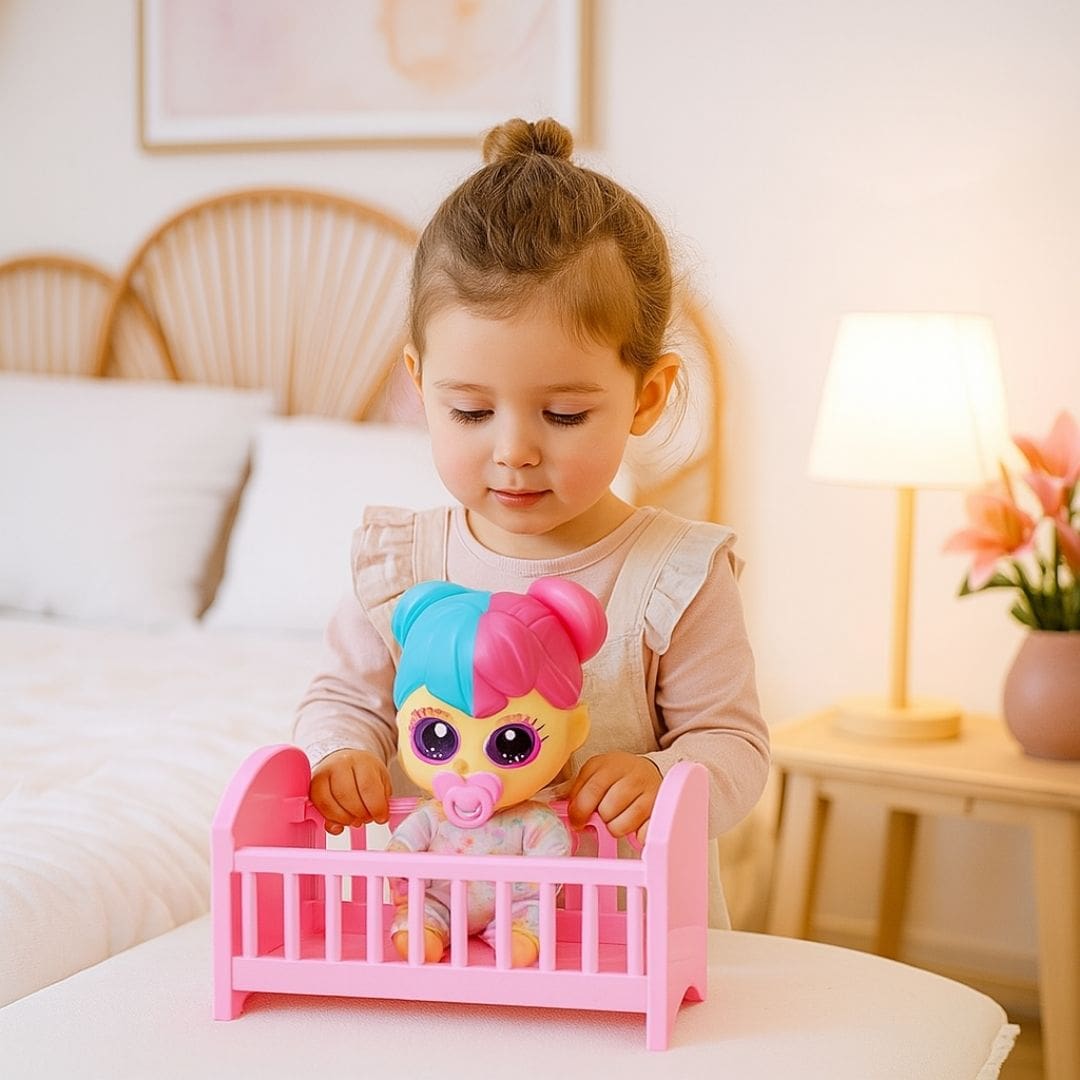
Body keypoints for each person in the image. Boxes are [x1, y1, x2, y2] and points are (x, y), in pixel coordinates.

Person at [293, 116, 769, 927]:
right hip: (449, 938)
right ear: (420, 384)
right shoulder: (404, 565)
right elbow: (345, 697)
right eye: (471, 411)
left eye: (564, 414)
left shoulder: (675, 578)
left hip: (628, 943)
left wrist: (664, 777)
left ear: (647, 396)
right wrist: (340, 753)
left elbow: (734, 746)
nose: (514, 451)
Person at [385, 577, 604, 967]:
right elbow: (403, 846)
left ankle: (517, 936)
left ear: (574, 731)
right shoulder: (432, 816)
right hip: (440, 898)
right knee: (422, 911)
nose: (467, 766)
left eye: (511, 743)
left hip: (514, 904)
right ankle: (427, 930)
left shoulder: (533, 820)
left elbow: (552, 856)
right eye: (436, 737)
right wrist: (399, 866)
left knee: (533, 915)